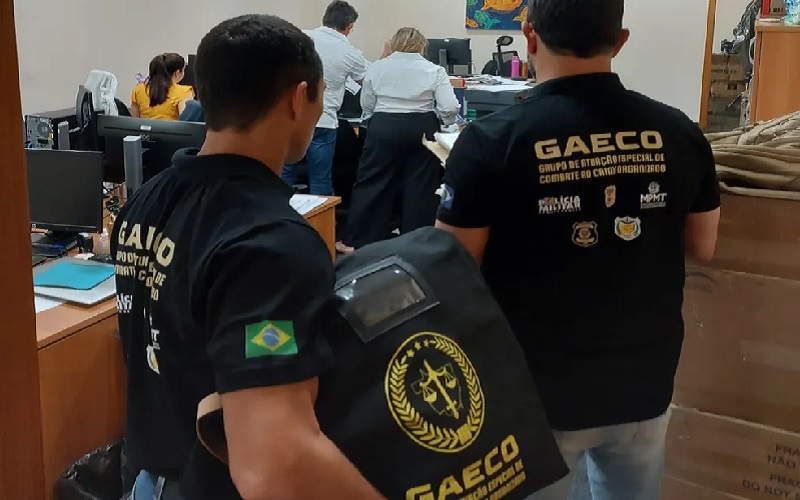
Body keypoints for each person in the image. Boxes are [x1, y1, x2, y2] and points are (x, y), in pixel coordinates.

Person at [434, 0, 721, 499]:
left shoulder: (490, 140)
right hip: (642, 380)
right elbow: (703, 245)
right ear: (621, 41)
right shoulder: (680, 131)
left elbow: (450, 268)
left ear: (529, 36)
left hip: (537, 390)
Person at [112, 14, 382, 500]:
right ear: (299, 98)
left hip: (152, 479)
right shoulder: (272, 241)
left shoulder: (145, 200)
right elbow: (274, 465)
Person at [336, 27, 460, 254]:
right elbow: (449, 106)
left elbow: (366, 103)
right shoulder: (434, 70)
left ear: (393, 43)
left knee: (372, 181)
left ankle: (358, 240)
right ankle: (416, 242)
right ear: (422, 45)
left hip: (384, 126)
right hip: (422, 127)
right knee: (421, 186)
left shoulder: (377, 67)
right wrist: (448, 122)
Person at [280, 0, 370, 195]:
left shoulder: (299, 38)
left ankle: (278, 212)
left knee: (284, 174)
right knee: (320, 178)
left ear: (325, 19)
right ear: (349, 26)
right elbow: (370, 80)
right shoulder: (350, 53)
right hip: (323, 120)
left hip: (290, 117)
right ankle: (320, 215)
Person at [130, 53, 194, 120]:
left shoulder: (138, 90)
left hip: (145, 127)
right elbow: (186, 121)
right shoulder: (184, 92)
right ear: (177, 73)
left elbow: (134, 120)